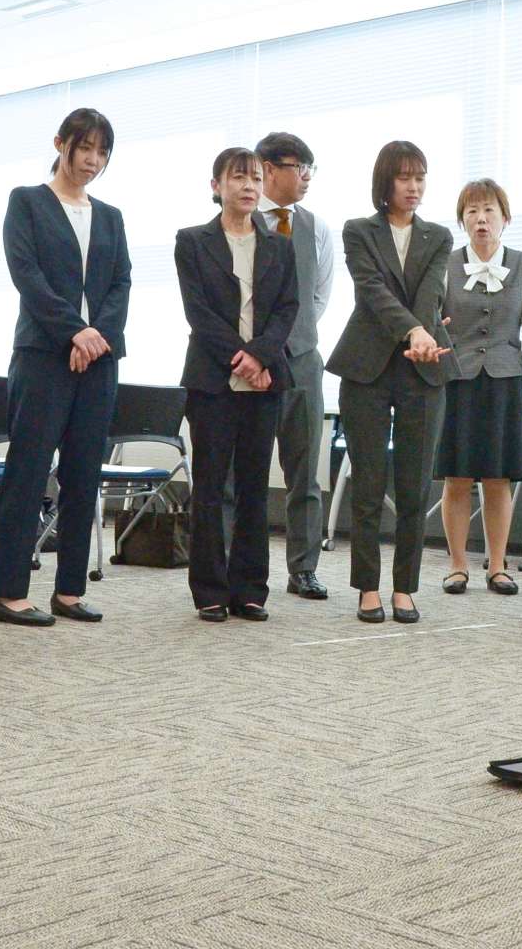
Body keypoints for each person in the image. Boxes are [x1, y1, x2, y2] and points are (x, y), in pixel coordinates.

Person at [0, 109, 131, 628]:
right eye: (84, 148)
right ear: (60, 144)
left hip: (99, 361)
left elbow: (121, 285)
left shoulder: (110, 216)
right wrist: (75, 330)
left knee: (83, 474)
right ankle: (7, 592)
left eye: (102, 152)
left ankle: (69, 590)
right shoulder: (27, 202)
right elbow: (26, 274)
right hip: (45, 355)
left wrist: (98, 337)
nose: (92, 161)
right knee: (28, 472)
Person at [325, 141, 455, 624]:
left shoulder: (439, 236)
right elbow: (373, 290)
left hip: (424, 367)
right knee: (368, 482)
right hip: (367, 369)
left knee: (416, 485)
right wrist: (415, 331)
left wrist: (421, 333)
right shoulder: (359, 231)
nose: (414, 187)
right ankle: (367, 588)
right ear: (386, 182)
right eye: (404, 178)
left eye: (420, 177)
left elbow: (432, 290)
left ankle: (405, 587)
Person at [175, 147, 298, 623]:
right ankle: (208, 587)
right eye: (237, 178)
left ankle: (250, 589)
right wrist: (241, 358)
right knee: (209, 486)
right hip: (212, 380)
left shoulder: (279, 244)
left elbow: (288, 308)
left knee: (253, 487)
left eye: (254, 179)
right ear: (216, 186)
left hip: (265, 380)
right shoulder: (192, 241)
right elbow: (198, 311)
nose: (248, 186)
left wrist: (261, 356)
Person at [225, 131, 333, 601]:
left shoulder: (316, 227)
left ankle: (303, 568)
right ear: (268, 170)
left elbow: (317, 297)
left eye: (311, 167)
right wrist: (256, 354)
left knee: (304, 473)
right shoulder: (240, 223)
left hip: (302, 361)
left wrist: (289, 345)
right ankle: (231, 566)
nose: (306, 176)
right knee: (237, 472)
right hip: (245, 364)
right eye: (298, 166)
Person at [435, 178, 522, 597]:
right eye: (472, 211)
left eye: (489, 211)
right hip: (457, 380)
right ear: (461, 219)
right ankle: (457, 565)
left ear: (505, 218)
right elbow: (432, 323)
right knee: (458, 476)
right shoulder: (445, 265)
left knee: (500, 477)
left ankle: (498, 566)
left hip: (505, 378)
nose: (481, 219)